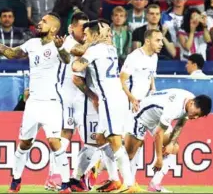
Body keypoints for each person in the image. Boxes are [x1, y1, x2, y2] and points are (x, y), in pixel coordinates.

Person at [0, 12, 73, 193]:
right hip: (33, 103)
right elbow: (11, 53)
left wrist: (60, 49)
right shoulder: (32, 43)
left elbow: (67, 60)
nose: (39, 23)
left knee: (54, 141)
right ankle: (16, 181)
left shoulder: (60, 44)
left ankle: (65, 184)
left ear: (53, 28)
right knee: (25, 144)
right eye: (40, 20)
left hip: (52, 102)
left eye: (44, 21)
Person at [72, 20, 138, 193]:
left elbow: (76, 66)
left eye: (87, 34)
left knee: (115, 142)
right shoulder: (111, 48)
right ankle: (114, 179)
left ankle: (130, 185)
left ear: (94, 35)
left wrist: (82, 51)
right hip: (116, 97)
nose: (84, 37)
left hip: (109, 100)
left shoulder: (94, 50)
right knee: (101, 140)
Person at [125, 88, 212, 192]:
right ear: (192, 103)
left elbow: (180, 124)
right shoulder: (173, 108)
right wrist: (159, 158)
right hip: (142, 116)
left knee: (174, 148)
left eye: (199, 116)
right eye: (196, 113)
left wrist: (171, 143)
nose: (196, 117)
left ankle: (155, 184)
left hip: (158, 117)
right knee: (129, 154)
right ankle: (108, 165)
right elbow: (158, 134)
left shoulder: (190, 101)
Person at [45, 11, 89, 191]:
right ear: (72, 28)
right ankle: (54, 176)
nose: (85, 31)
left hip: (79, 96)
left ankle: (78, 177)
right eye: (82, 27)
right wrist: (96, 41)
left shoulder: (83, 43)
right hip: (65, 95)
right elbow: (80, 52)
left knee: (88, 137)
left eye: (88, 28)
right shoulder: (69, 42)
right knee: (65, 134)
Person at [120, 29, 162, 185]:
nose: (161, 44)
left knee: (139, 143)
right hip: (130, 106)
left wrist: (153, 90)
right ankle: (103, 169)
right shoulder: (134, 57)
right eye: (158, 40)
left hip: (144, 106)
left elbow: (151, 76)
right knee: (129, 145)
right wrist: (132, 99)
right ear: (148, 41)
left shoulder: (154, 57)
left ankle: (131, 182)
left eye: (162, 40)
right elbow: (122, 80)